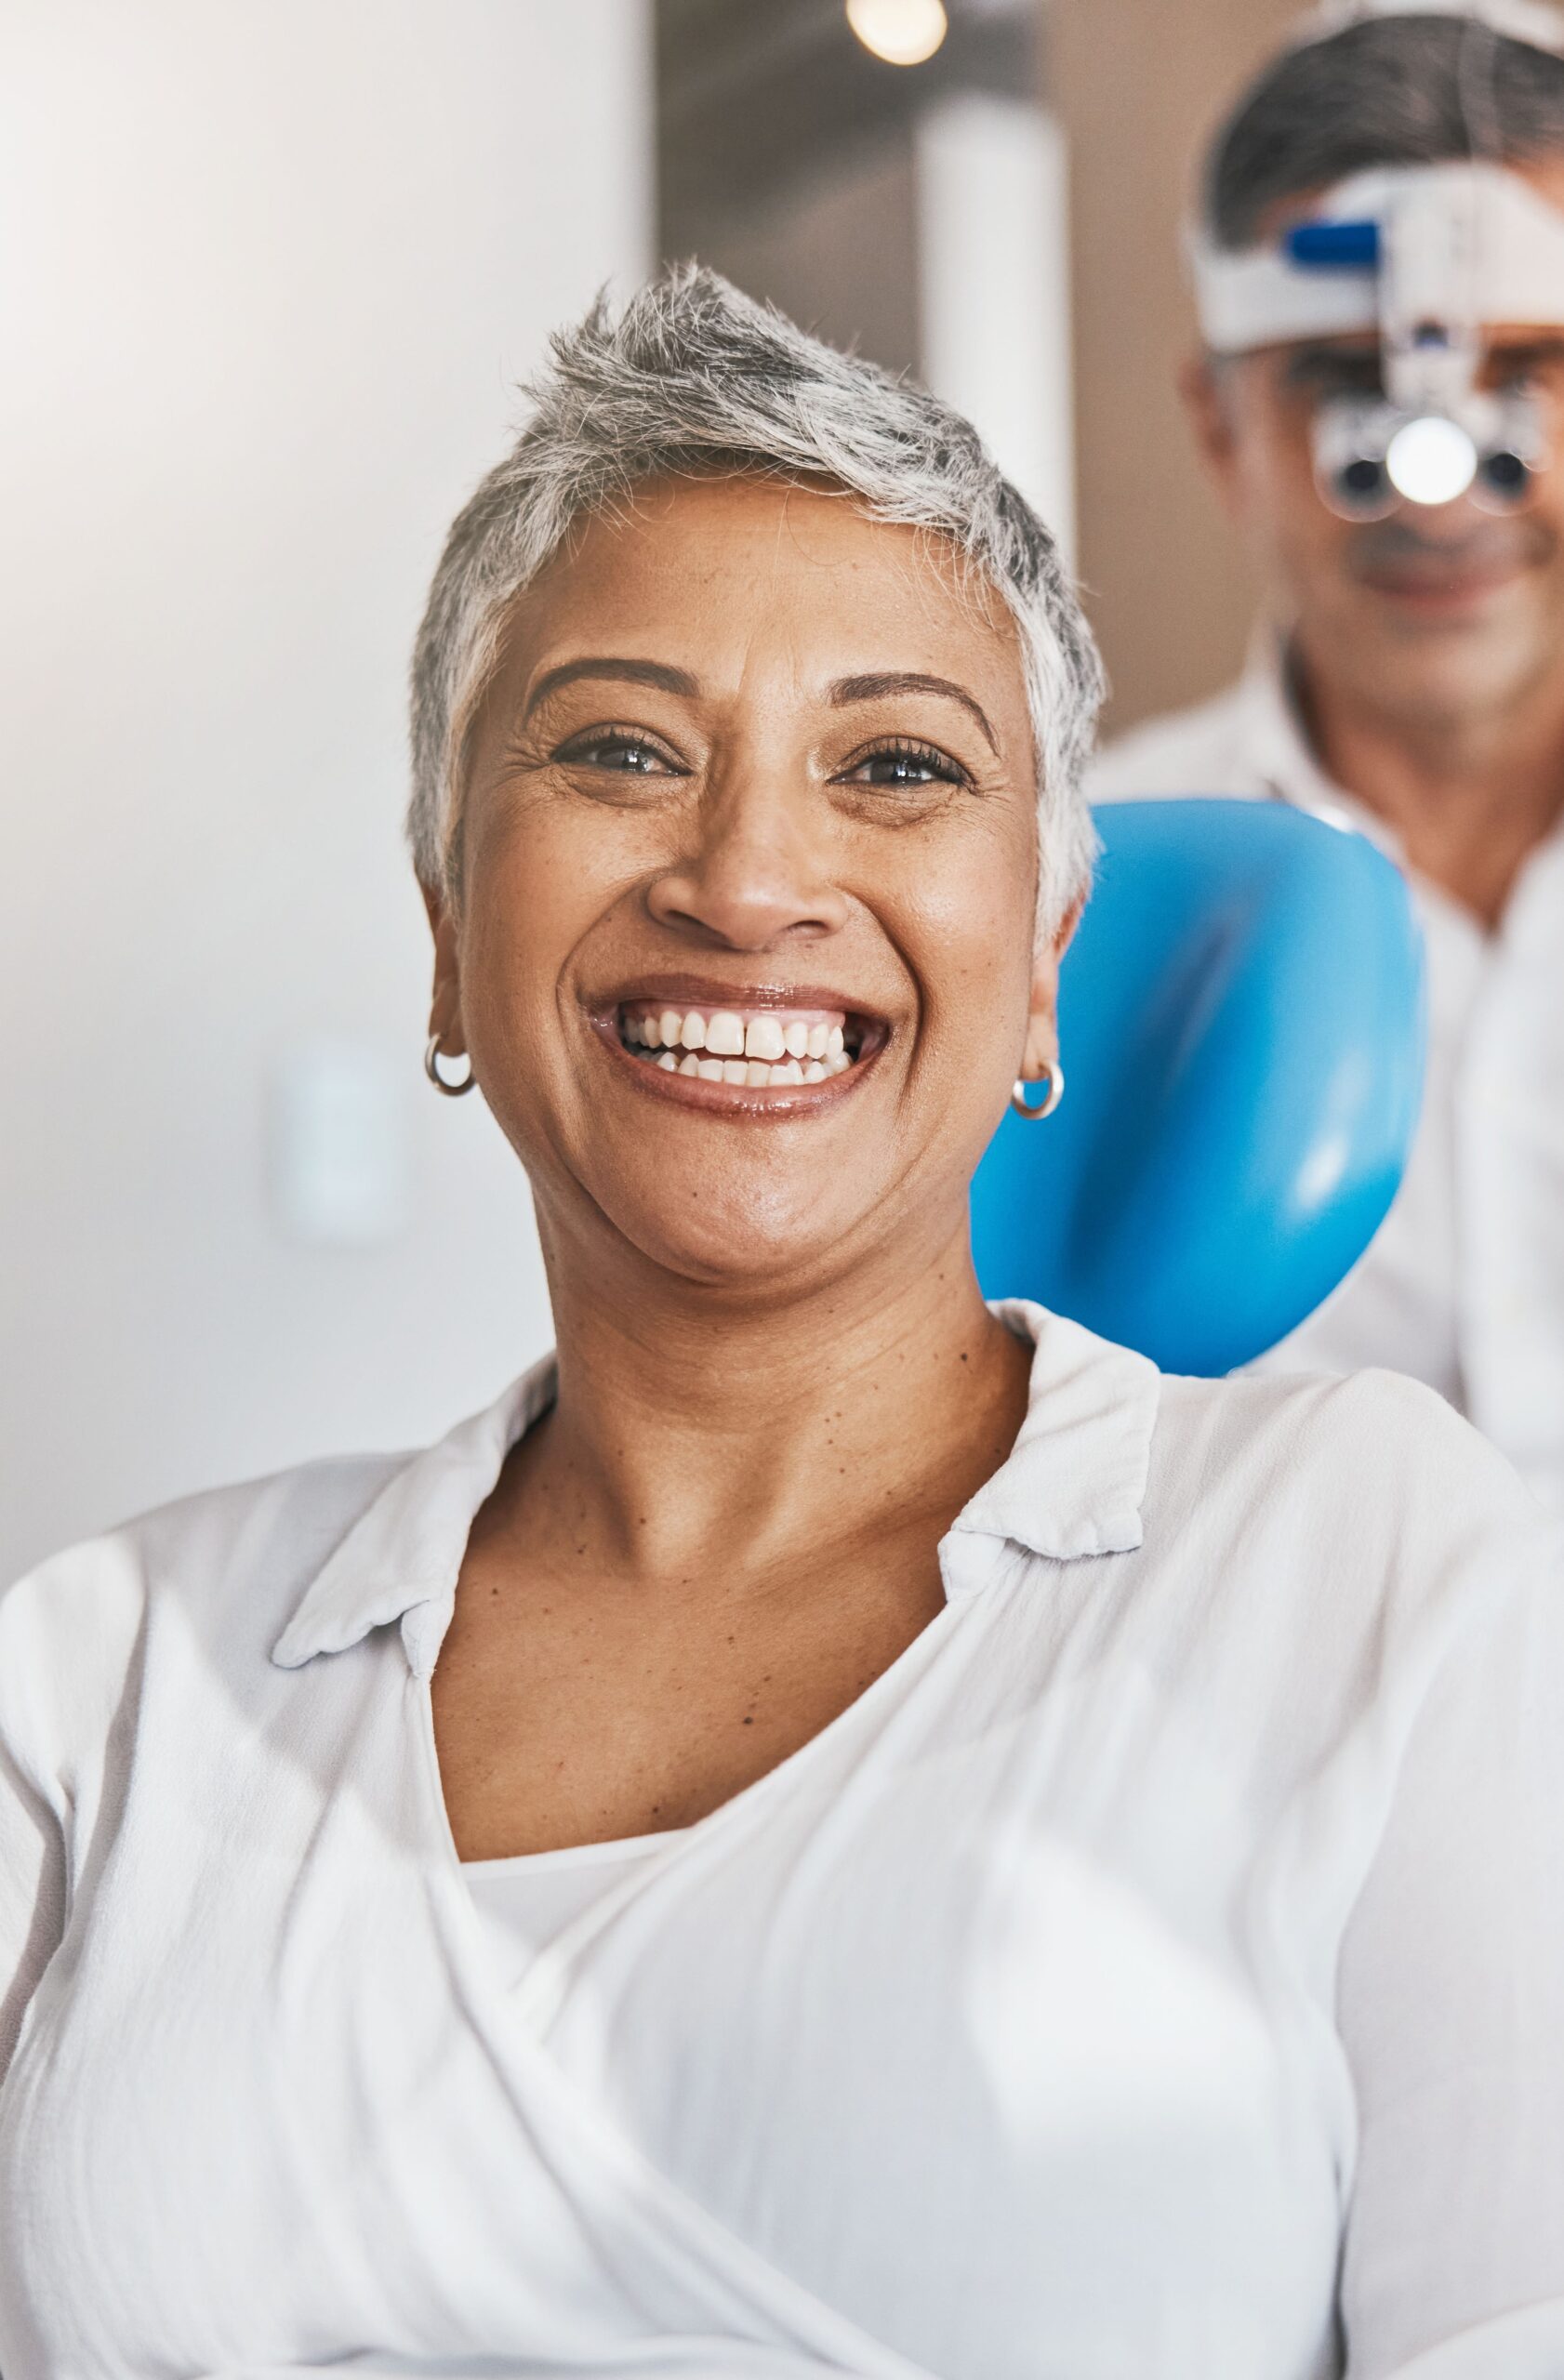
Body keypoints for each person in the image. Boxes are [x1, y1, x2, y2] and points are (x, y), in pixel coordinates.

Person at [1, 270, 1560, 2380]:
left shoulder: (1374, 1568)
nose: (747, 879)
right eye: (624, 748)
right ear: (451, 932)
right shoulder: (101, 1677)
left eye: (897, 764)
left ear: (1043, 962)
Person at [1090, 0, 1564, 1514]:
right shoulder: (1070, 886)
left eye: (1531, 376)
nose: (1437, 490)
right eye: (1337, 384)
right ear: (1218, 427)